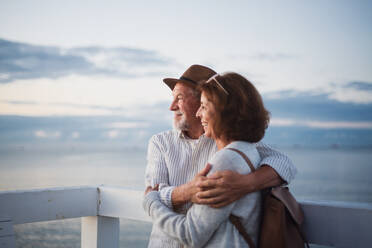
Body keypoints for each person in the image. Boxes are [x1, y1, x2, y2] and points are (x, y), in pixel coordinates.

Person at [144, 65, 297, 247]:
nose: (172, 107)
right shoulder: (160, 142)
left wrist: (245, 184)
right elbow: (153, 191)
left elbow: (285, 164)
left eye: (179, 98)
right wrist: (187, 192)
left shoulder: (228, 144)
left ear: (205, 101)